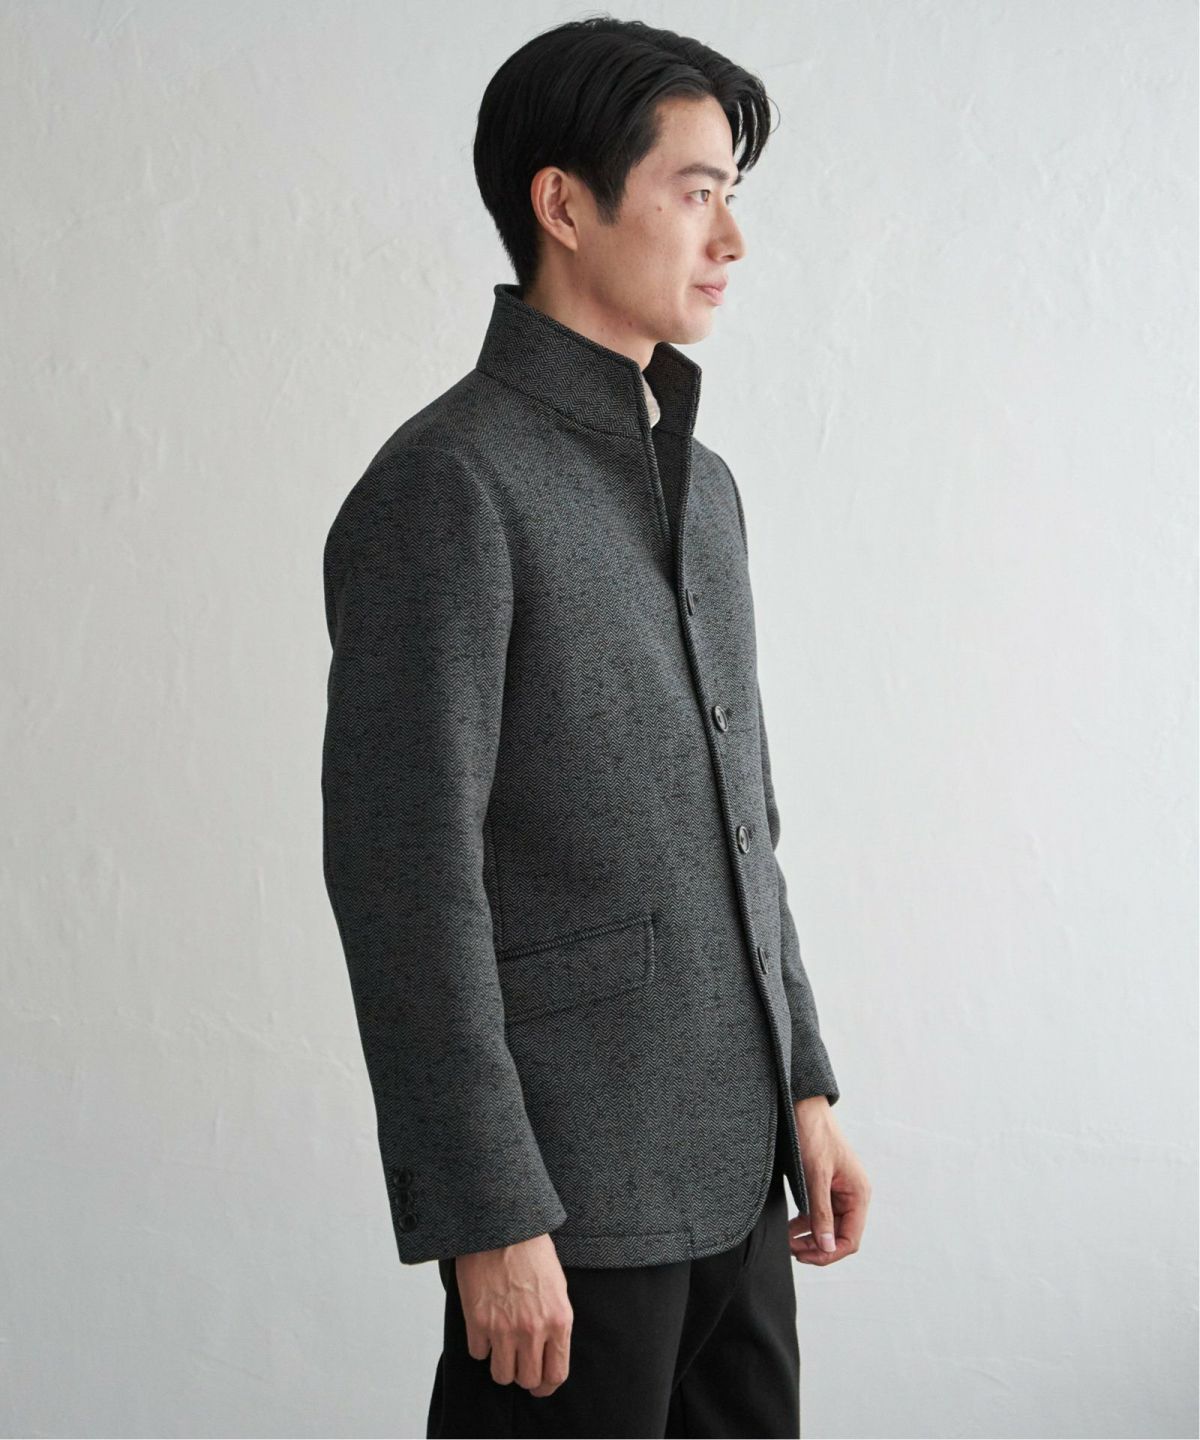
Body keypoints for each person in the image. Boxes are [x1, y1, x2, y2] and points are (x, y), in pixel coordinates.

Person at [320, 15, 871, 1438]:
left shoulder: (709, 490)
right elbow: (404, 877)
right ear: (563, 205)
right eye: (696, 191)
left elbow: (745, 825)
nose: (730, 239)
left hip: (739, 1182)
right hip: (564, 1211)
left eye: (732, 194)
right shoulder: (448, 486)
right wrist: (485, 1210)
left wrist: (804, 1086)